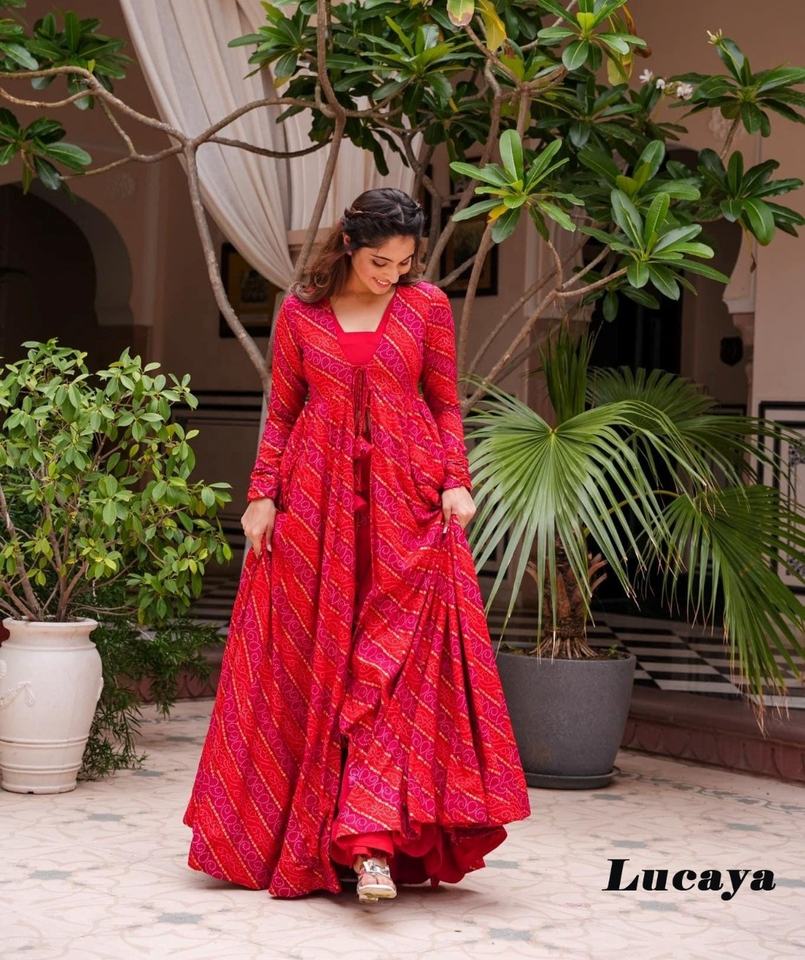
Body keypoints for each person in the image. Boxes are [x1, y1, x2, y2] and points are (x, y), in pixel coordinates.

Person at [182, 187, 531, 903]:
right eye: (380, 263)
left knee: (395, 671)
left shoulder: (426, 307)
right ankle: (319, 836)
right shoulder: (299, 313)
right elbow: (283, 411)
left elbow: (443, 402)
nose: (392, 275)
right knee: (314, 665)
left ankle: (372, 844)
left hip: (406, 507)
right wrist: (261, 492)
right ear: (348, 246)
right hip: (317, 509)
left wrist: (456, 480)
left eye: (404, 263)